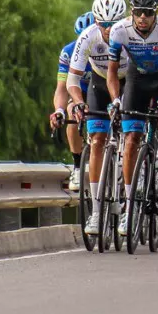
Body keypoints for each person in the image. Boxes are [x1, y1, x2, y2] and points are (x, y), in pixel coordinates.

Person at [106, 0, 158, 237]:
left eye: (148, 13)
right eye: (138, 11)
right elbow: (112, 73)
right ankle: (129, 207)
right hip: (136, 81)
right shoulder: (119, 31)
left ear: (156, 12)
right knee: (130, 139)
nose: (142, 18)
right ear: (131, 11)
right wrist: (116, 99)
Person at [65, 0, 129, 236]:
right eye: (103, 25)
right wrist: (78, 102)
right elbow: (73, 79)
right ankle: (96, 211)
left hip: (129, 83)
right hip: (99, 85)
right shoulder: (88, 36)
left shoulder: (130, 35)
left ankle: (129, 199)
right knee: (98, 140)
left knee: (131, 137)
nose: (108, 30)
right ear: (96, 22)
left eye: (113, 25)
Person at [52, 11, 97, 191]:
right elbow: (62, 88)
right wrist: (59, 111)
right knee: (71, 111)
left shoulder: (108, 48)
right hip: (80, 91)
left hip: (101, 91)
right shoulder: (69, 52)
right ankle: (77, 166)